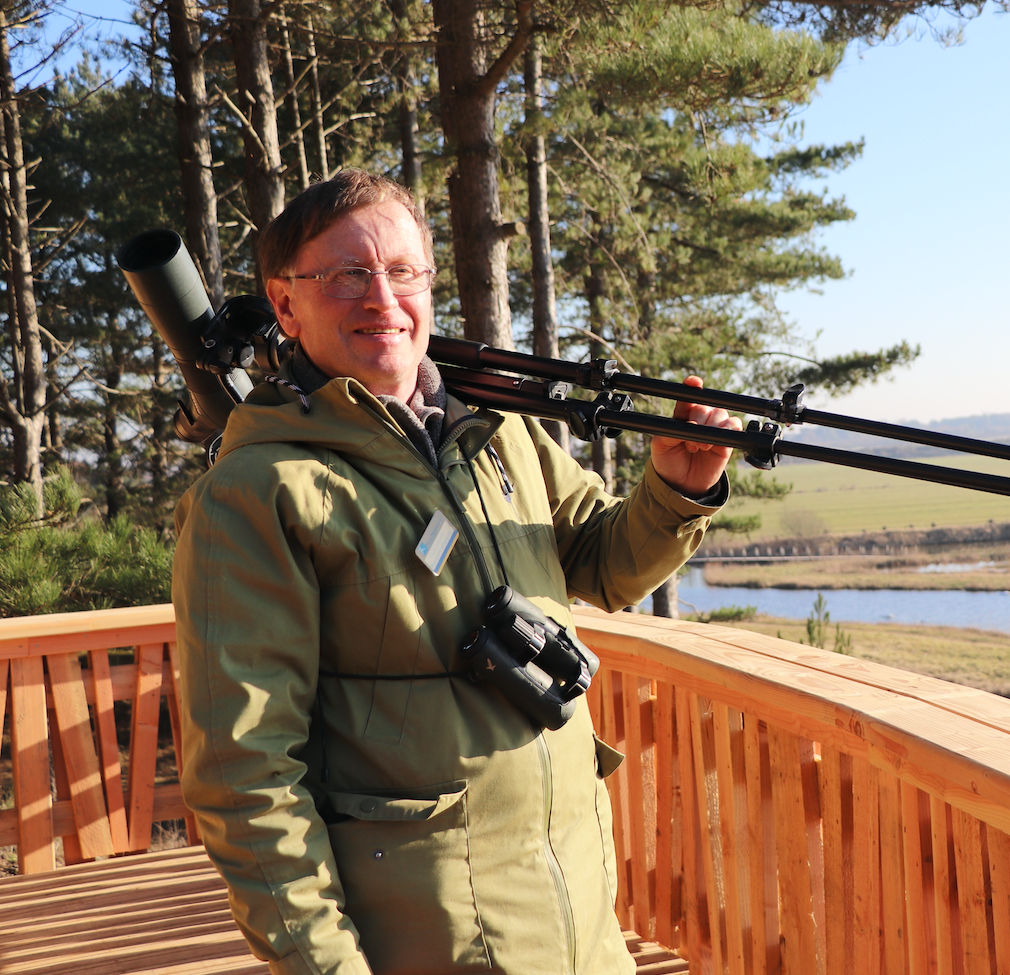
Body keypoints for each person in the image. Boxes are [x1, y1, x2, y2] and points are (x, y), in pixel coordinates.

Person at [172, 170, 741, 975]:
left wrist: (676, 488)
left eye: (403, 271)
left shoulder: (499, 435)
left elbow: (605, 563)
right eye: (346, 275)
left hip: (577, 920)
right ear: (286, 302)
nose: (381, 297)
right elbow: (246, 779)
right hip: (426, 945)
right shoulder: (257, 496)